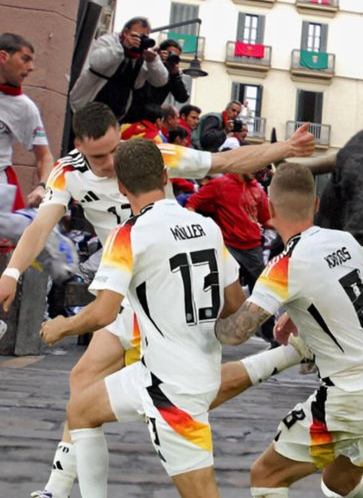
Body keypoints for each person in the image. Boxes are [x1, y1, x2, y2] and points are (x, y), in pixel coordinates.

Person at [0, 102, 315, 498]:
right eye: (99, 157)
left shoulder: (146, 158)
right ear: (79, 146)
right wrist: (11, 272)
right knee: (87, 387)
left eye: (114, 150)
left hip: (151, 288)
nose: (112, 163)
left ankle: (60, 487)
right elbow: (41, 226)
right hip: (126, 287)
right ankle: (57, 489)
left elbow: (225, 161)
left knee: (168, 382)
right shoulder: (67, 173)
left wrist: (285, 148)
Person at [39, 139, 245, 497]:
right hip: (172, 372)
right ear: (165, 176)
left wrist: (62, 327)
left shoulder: (129, 234)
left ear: (121, 187)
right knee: (82, 410)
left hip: (171, 388)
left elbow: (103, 312)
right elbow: (234, 303)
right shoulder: (206, 226)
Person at [214, 163, 363, 498]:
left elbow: (235, 334)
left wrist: (210, 309)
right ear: (316, 203)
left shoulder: (285, 265)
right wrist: (301, 315)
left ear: (269, 208)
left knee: (267, 475)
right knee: (340, 484)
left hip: (349, 396)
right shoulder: (344, 241)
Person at [69, 17, 168, 120]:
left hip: (115, 113)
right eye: (136, 36)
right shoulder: (109, 41)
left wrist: (153, 61)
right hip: (85, 105)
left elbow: (161, 81)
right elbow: (95, 62)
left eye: (144, 37)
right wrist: (122, 47)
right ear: (126, 32)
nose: (139, 41)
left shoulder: (143, 56)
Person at [0, 33, 53, 210]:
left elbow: (45, 157)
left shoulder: (24, 107)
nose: (31, 68)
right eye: (25, 59)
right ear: (3, 57)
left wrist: (42, 186)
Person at [123, 38, 189, 122]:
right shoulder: (148, 61)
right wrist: (156, 61)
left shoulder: (172, 73)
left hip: (150, 118)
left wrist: (175, 75)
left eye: (176, 56)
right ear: (160, 52)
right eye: (169, 53)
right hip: (130, 111)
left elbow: (182, 97)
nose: (172, 57)